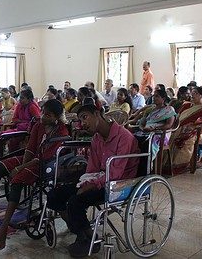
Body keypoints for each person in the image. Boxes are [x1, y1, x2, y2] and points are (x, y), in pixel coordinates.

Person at [0, 99, 69, 250]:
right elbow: (30, 149)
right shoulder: (39, 125)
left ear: (55, 117)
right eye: (43, 112)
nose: (42, 116)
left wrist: (21, 168)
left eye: (47, 114)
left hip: (45, 165)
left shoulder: (62, 132)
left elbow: (46, 157)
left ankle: (3, 228)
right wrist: (21, 164)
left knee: (17, 180)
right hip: (31, 159)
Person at [46, 97, 140, 257]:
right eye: (80, 120)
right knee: (55, 194)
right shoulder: (96, 138)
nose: (82, 124)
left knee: (75, 201)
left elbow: (116, 173)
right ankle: (85, 233)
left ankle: (84, 235)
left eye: (84, 117)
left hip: (119, 184)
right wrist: (86, 180)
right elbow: (93, 167)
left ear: (97, 114)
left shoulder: (124, 137)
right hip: (100, 178)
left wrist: (93, 184)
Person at [170, 87, 202, 168]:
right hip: (179, 128)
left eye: (195, 93)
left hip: (197, 131)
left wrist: (195, 126)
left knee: (186, 137)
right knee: (170, 136)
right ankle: (168, 162)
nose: (192, 95)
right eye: (192, 93)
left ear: (201, 95)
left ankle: (180, 164)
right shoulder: (186, 105)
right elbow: (178, 117)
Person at [133, 89, 176, 173]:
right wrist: (142, 127)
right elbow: (143, 121)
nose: (154, 98)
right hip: (145, 131)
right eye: (153, 96)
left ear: (163, 98)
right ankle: (134, 167)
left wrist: (155, 129)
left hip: (160, 134)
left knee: (148, 142)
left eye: (157, 96)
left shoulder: (169, 109)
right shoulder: (151, 109)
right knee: (133, 139)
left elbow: (169, 125)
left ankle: (146, 169)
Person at [0, 89, 41, 157]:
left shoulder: (32, 106)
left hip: (27, 131)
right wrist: (25, 121)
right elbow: (14, 119)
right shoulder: (19, 105)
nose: (20, 100)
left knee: (12, 141)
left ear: (29, 99)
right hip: (19, 128)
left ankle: (12, 158)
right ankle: (0, 156)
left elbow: (37, 121)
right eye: (20, 98)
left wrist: (23, 122)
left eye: (22, 98)